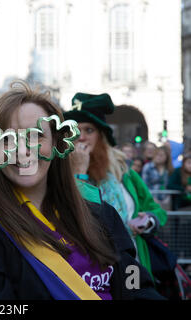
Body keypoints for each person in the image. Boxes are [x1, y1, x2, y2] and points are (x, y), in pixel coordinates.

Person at [0, 82, 162, 300]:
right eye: (7, 139)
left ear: (57, 142)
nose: (23, 151)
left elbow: (134, 278)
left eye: (36, 136)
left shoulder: (99, 210)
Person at [63, 92, 167, 281]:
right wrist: (79, 172)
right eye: (75, 131)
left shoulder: (123, 171)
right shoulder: (60, 173)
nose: (81, 138)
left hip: (131, 264)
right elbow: (75, 218)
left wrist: (148, 220)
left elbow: (155, 209)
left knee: (134, 293)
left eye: (89, 130)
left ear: (102, 135)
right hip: (89, 272)